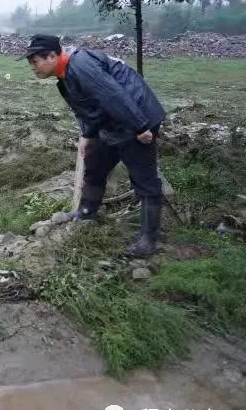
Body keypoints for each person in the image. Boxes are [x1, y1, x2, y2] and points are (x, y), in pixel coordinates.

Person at [19, 34, 167, 257]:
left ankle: (149, 239)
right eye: (30, 63)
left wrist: (140, 127)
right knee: (94, 164)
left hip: (136, 118)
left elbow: (113, 95)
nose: (33, 67)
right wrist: (88, 136)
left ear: (52, 56)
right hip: (113, 121)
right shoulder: (65, 75)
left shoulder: (81, 65)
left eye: (35, 61)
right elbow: (87, 108)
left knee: (144, 179)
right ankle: (86, 211)